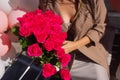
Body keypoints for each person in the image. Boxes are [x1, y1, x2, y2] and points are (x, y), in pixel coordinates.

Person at [38, 0, 110, 80]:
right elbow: (43, 27)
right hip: (62, 58)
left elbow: (100, 27)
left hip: (89, 54)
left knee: (99, 77)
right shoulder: (47, 3)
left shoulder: (94, 1)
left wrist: (75, 45)